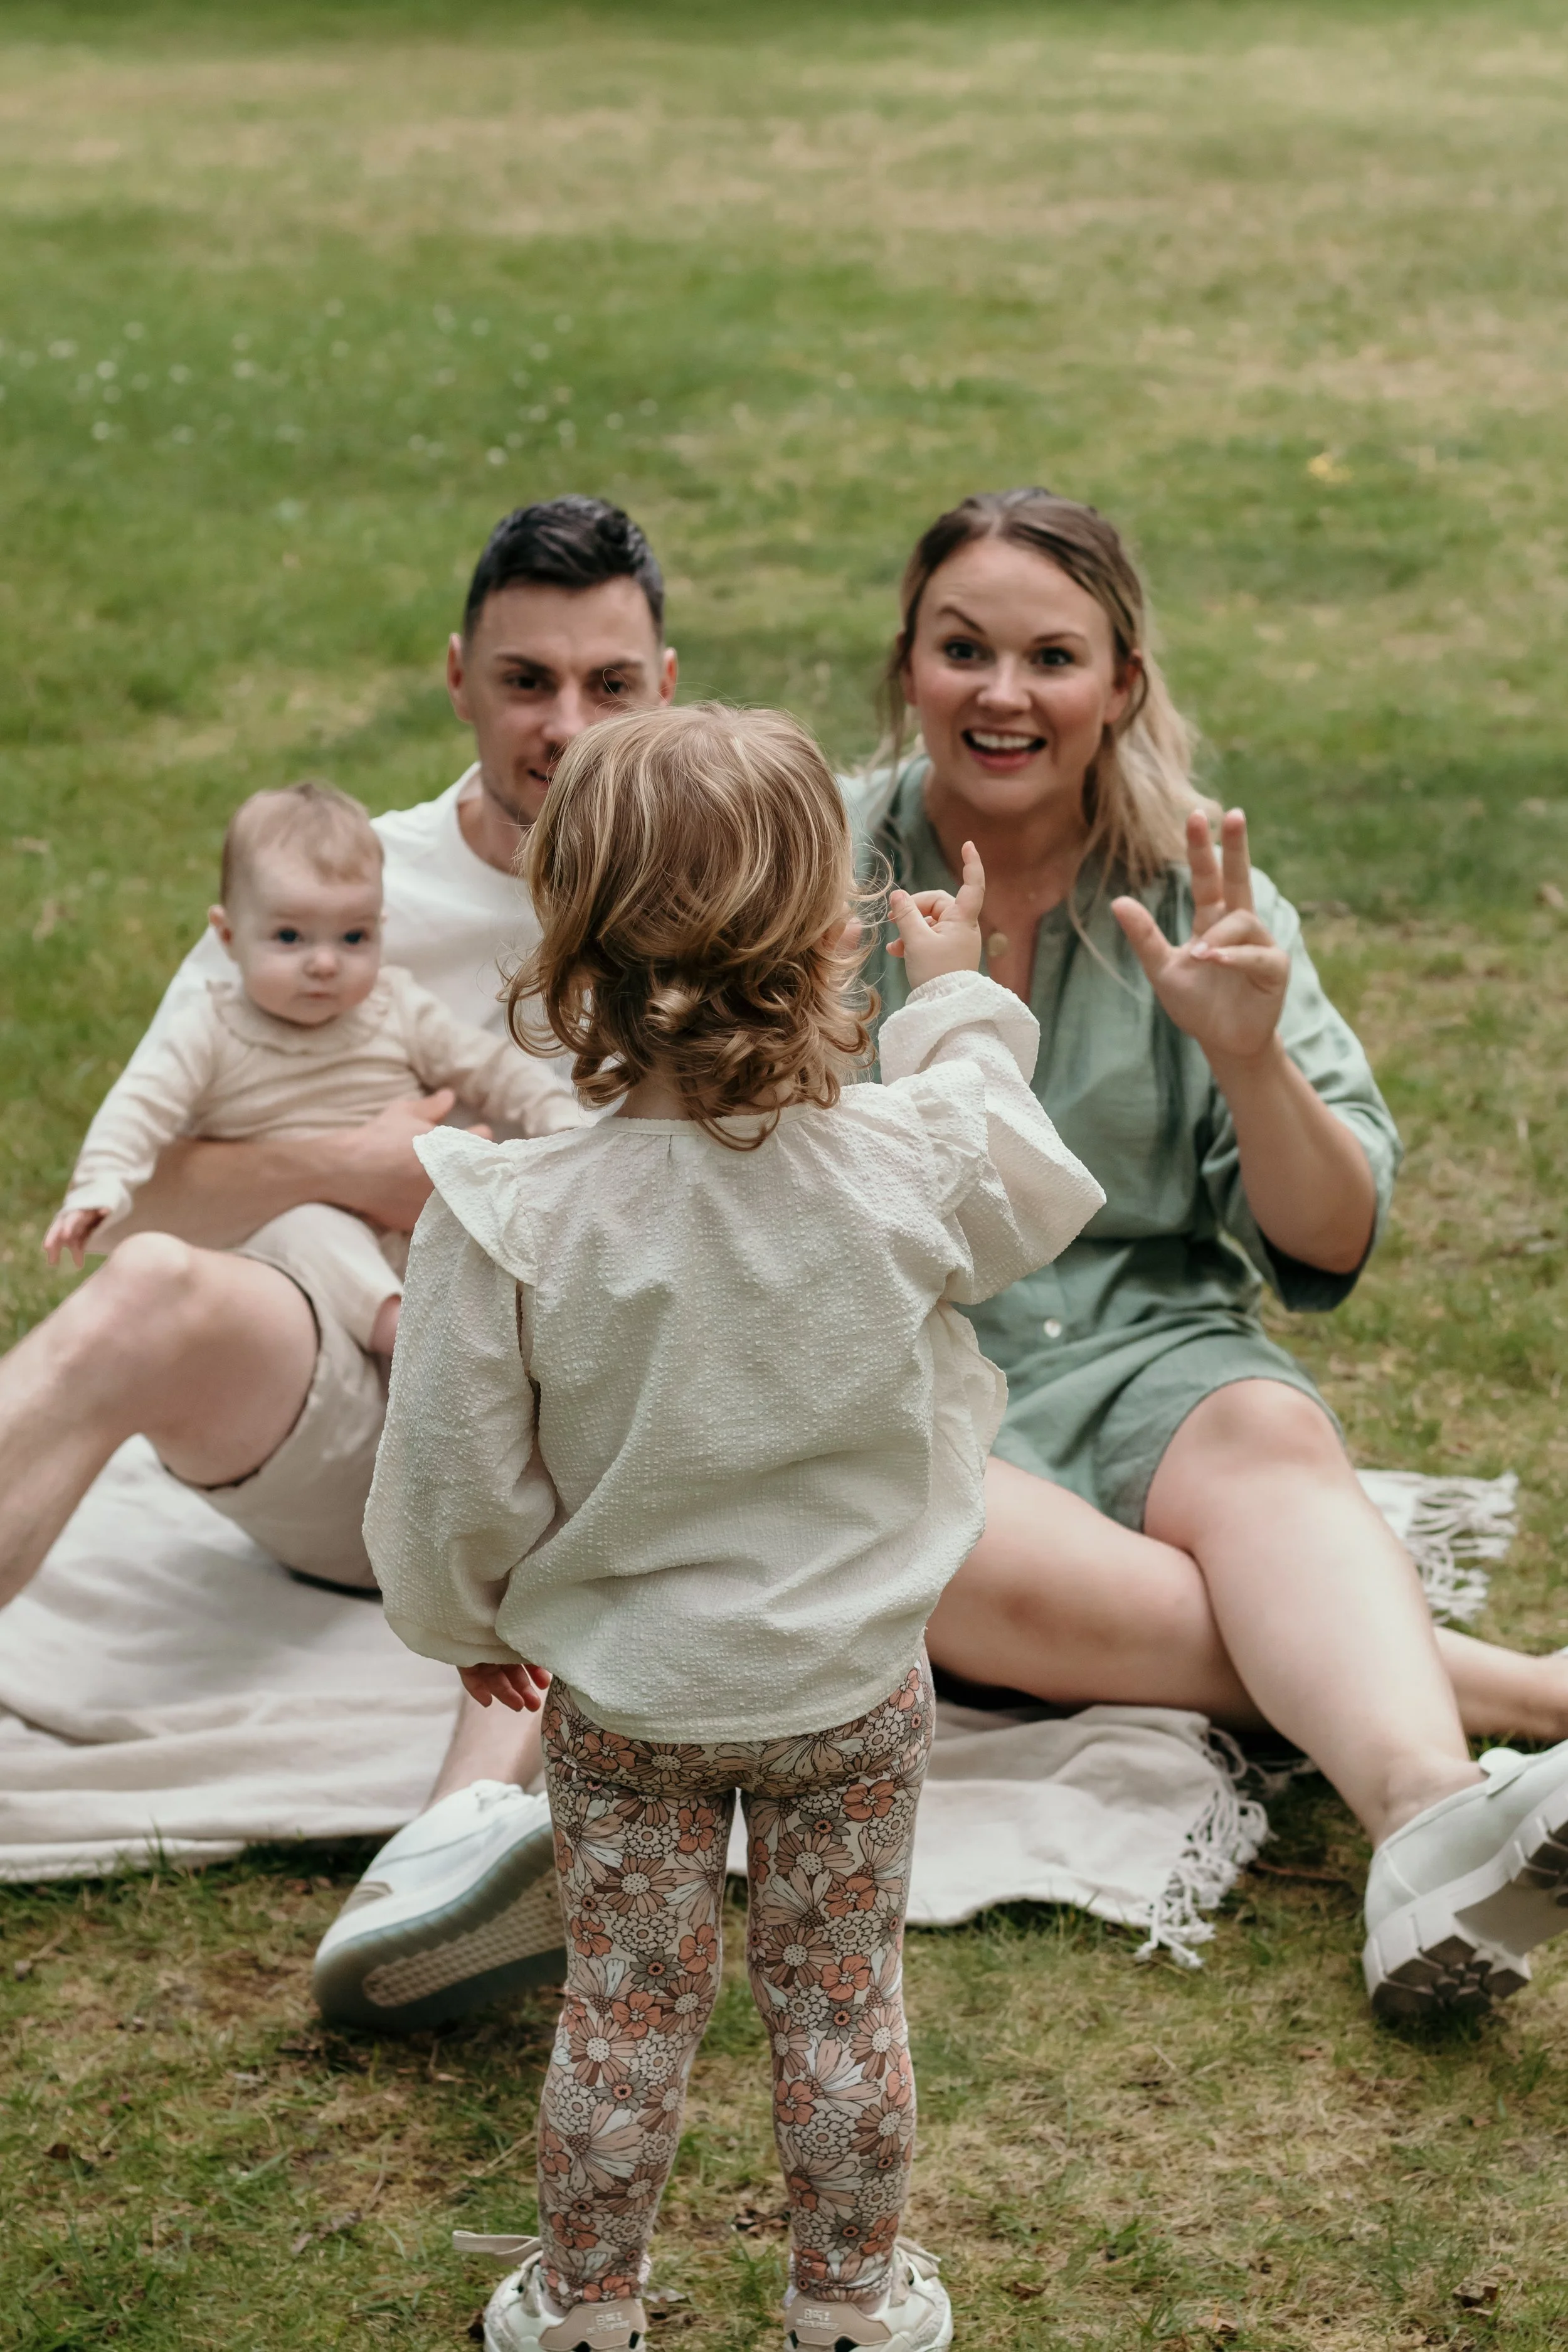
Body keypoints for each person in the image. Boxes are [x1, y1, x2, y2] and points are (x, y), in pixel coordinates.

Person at [364, 701, 1104, 2352]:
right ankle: (845, 2299)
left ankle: (580, 2304)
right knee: (838, 1997)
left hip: (627, 1704)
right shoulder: (905, 1159)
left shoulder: (513, 1213)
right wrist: (958, 999)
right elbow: (1026, 1176)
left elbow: (447, 1470)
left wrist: (469, 1613)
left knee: (626, 2007)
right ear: (823, 930)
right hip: (849, 1687)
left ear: (572, 937)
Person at [850, 486, 1568, 2019]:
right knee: (925, 1535)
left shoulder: (1205, 883)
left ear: (1120, 681)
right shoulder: (807, 864)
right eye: (960, 647)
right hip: (901, 1371)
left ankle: (1428, 1828)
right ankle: (1525, 1697)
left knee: (1264, 1429)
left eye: (1052, 655)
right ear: (904, 662)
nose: (1000, 692)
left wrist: (1250, 1057)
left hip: (1155, 1350)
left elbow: (1332, 1232)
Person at [0, 495, 675, 2030]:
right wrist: (346, 1167)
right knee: (148, 1290)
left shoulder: (706, 885)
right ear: (457, 677)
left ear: (665, 685)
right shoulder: (338, 887)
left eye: (608, 685)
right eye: (525, 680)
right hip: (348, 1390)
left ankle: (449, 1859)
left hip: (589, 1436)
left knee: (630, 1408)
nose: (563, 724)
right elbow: (152, 1181)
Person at [46, 779, 583, 1388]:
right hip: (289, 1253)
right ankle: (406, 1337)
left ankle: (509, 1347)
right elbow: (139, 1107)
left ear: (381, 927)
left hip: (405, 1230)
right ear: (226, 937)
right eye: (290, 937)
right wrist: (99, 1186)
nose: (324, 962)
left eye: (353, 938)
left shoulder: (394, 1007)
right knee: (308, 1230)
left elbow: (493, 1067)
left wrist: (559, 1122)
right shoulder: (211, 1029)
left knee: (481, 1208)